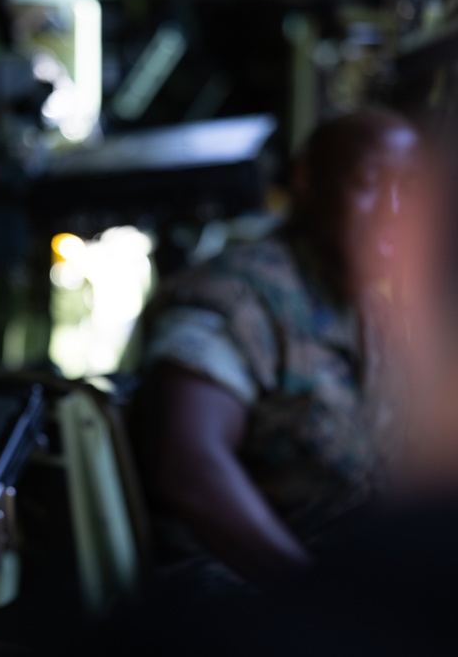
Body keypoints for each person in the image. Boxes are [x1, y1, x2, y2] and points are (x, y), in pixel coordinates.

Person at [129, 107, 424, 599]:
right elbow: (187, 467)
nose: (395, 209)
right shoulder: (238, 295)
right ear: (307, 181)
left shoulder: (370, 311)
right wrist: (311, 595)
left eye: (410, 189)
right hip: (241, 605)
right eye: (370, 182)